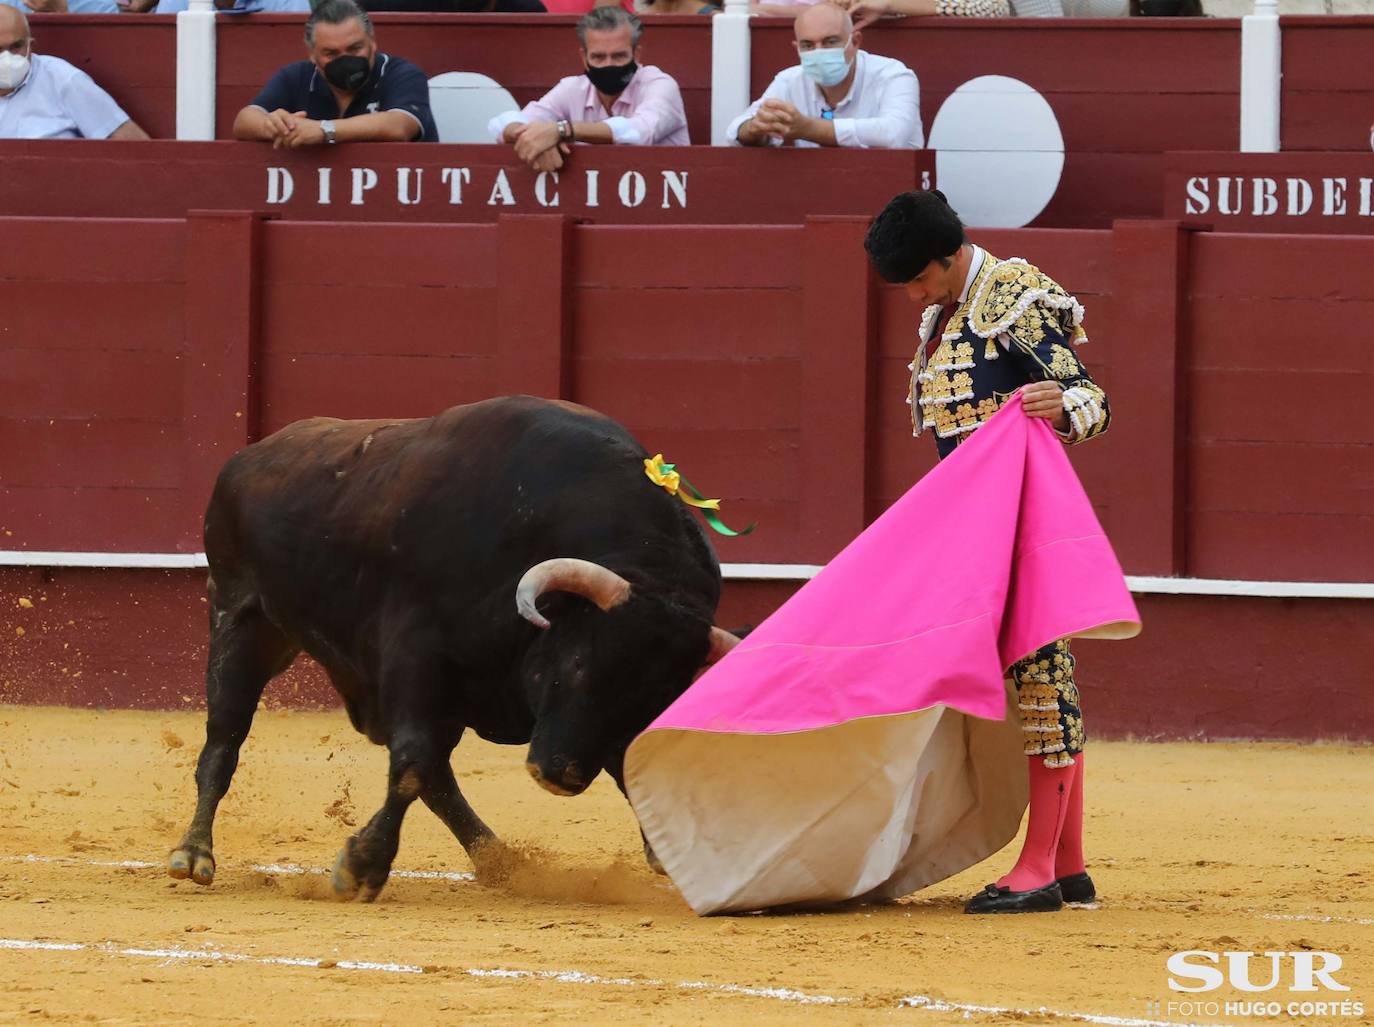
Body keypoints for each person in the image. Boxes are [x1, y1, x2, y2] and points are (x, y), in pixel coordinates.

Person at [864, 190, 1110, 915]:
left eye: (920, 279)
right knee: (1033, 678)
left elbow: (1091, 398)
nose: (914, 294)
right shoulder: (944, 313)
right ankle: (1068, 864)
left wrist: (1064, 407)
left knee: (1041, 677)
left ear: (951, 256)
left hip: (1024, 521)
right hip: (974, 530)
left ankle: (1038, 868)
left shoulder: (1010, 295)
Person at [488, 6, 689, 174]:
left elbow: (639, 132)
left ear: (636, 55)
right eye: (598, 57)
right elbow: (501, 123)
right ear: (584, 58)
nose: (609, 64)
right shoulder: (573, 88)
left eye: (619, 56)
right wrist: (536, 138)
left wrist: (561, 131)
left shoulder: (659, 84)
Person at [232, 0, 436, 147]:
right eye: (331, 53)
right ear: (312, 54)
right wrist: (275, 126)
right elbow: (244, 120)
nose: (345, 60)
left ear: (372, 42)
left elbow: (400, 126)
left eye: (355, 48)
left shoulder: (402, 74)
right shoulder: (296, 76)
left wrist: (324, 130)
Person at [726, 4, 921, 149]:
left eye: (830, 42)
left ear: (855, 42)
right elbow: (734, 132)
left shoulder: (893, 75)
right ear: (797, 49)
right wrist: (755, 129)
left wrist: (809, 128)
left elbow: (893, 134)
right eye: (808, 45)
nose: (819, 52)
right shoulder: (790, 80)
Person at [0, 6, 149, 139]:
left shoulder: (63, 80)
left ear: (30, 46)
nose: (7, 57)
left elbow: (133, 145)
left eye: (16, 47)